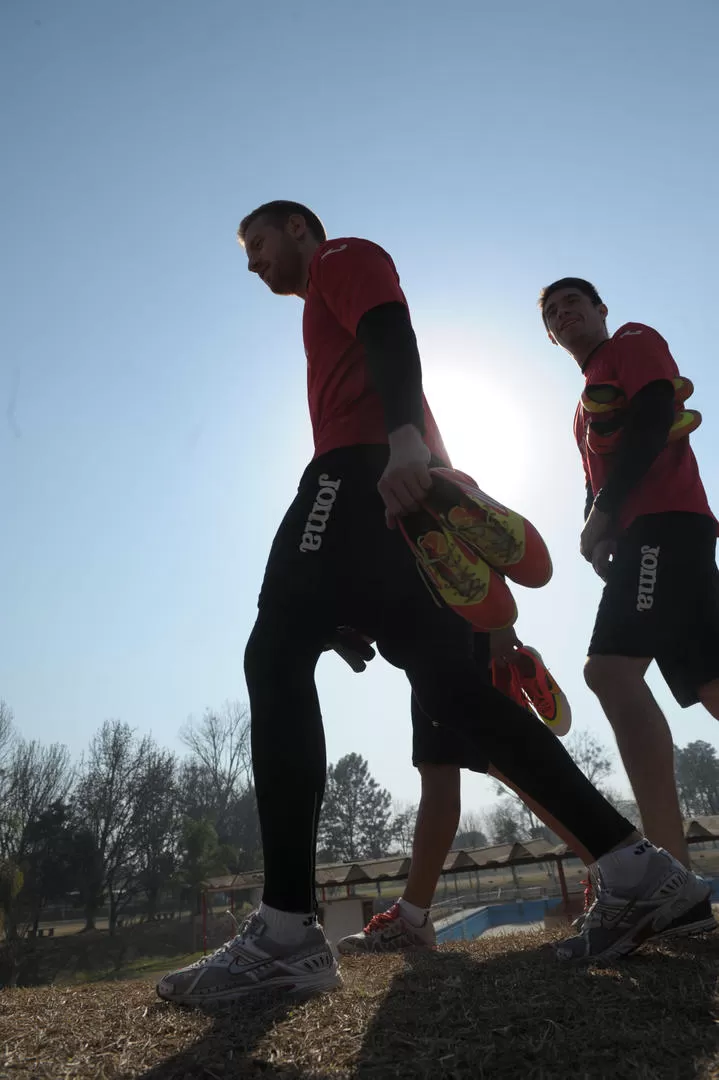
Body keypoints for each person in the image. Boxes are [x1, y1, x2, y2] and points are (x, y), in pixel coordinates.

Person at [157, 207, 708, 1005]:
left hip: (359, 472)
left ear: (298, 230)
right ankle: (634, 870)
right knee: (456, 699)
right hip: (401, 510)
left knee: (273, 651)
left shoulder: (341, 258)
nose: (252, 265)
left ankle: (284, 933)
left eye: (257, 245)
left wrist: (406, 438)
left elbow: (390, 328)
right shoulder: (323, 300)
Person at [539, 277, 718, 932]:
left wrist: (609, 514)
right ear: (549, 335)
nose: (564, 314)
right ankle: (674, 881)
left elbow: (649, 421)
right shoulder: (582, 409)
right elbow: (595, 483)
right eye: (552, 312)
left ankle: (667, 877)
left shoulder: (633, 342)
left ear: (599, 312)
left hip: (664, 525)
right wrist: (594, 529)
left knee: (608, 671)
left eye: (574, 303)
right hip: (658, 534)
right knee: (710, 686)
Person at [336, 625, 587, 955]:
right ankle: (412, 918)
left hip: (452, 630)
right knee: (437, 764)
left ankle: (614, 864)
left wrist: (494, 624)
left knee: (507, 760)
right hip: (422, 639)